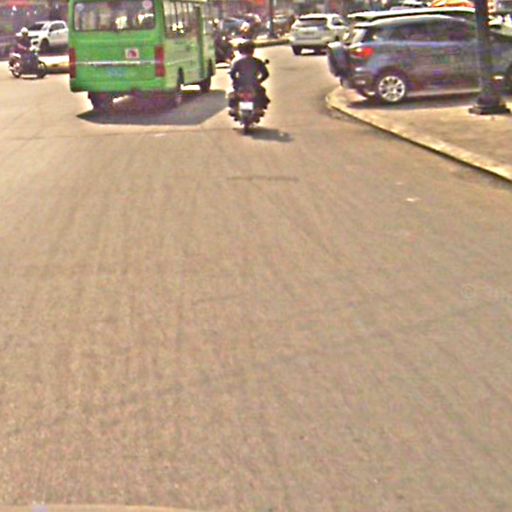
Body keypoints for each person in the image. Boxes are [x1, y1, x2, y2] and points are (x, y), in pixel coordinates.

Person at [229, 40, 270, 115]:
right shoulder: (257, 61)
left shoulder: (238, 62)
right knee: (261, 92)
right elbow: (265, 74)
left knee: (233, 93)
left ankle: (234, 108)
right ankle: (258, 108)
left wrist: (236, 81)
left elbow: (232, 74)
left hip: (241, 84)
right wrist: (259, 81)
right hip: (253, 84)